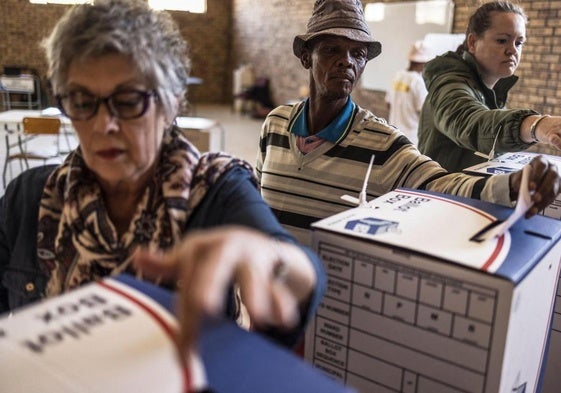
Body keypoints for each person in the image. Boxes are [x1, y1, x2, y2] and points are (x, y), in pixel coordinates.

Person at [0, 0, 325, 358]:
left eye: (128, 100)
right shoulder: (30, 198)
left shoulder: (216, 190)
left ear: (172, 103)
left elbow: (293, 268)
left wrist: (275, 260)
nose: (103, 124)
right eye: (81, 101)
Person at [256, 0, 561, 247]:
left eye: (358, 53)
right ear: (306, 58)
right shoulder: (274, 124)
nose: (347, 61)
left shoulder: (383, 145)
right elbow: (257, 201)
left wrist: (507, 186)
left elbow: (441, 185)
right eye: (332, 50)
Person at [417, 1, 561, 173]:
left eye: (519, 43)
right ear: (472, 42)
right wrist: (537, 125)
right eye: (502, 41)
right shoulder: (449, 82)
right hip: (440, 195)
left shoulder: (491, 89)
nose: (512, 50)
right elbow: (467, 121)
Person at [385, 40, 433, 145]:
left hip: (393, 134)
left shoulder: (397, 76)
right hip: (411, 139)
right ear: (424, 62)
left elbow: (388, 104)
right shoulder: (418, 82)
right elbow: (424, 114)